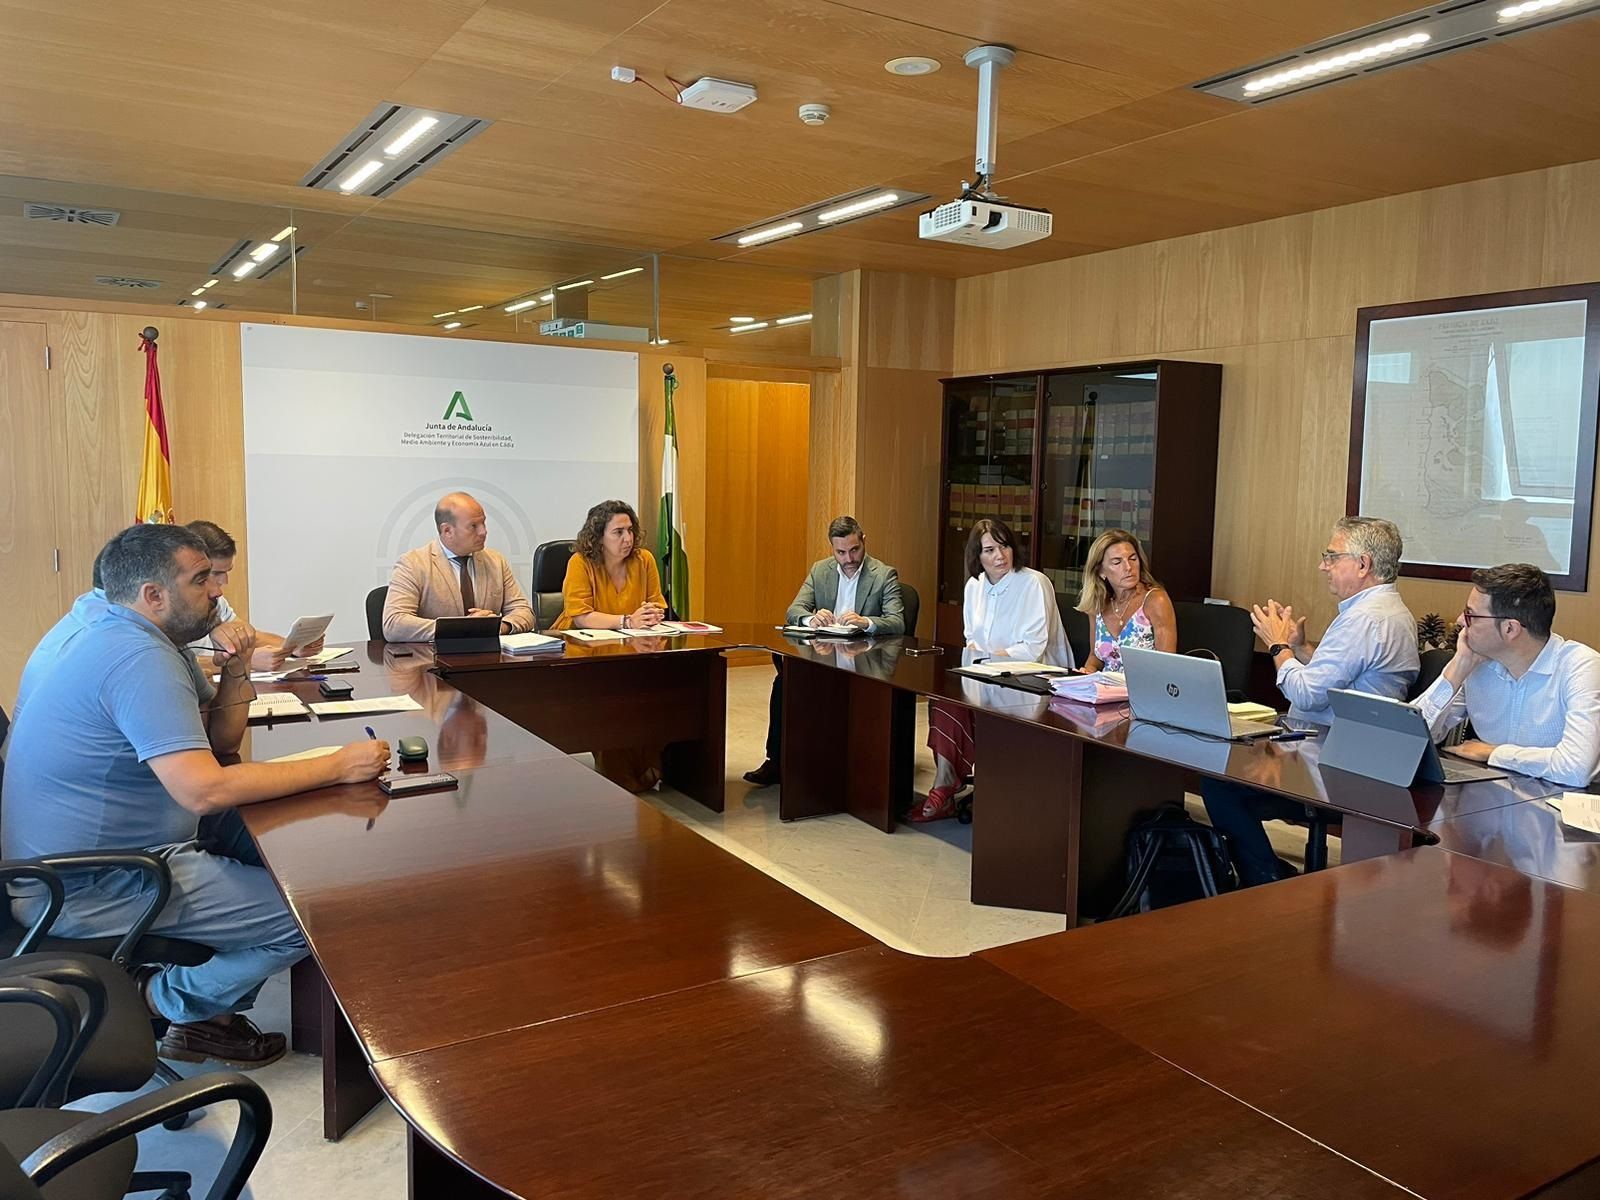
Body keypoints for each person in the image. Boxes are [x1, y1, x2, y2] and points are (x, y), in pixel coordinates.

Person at [2, 525, 391, 1066]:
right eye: (202, 578)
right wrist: (337, 764)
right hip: (94, 884)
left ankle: (208, 1013)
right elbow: (204, 790)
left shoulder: (135, 632)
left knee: (280, 856)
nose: (217, 591)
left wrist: (234, 668)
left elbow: (220, 740)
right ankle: (166, 1003)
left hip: (101, 862)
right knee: (318, 910)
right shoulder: (135, 656)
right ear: (153, 595)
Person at [1203, 516, 1419, 886]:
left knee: (1219, 782)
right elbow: (1339, 677)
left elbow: (1305, 692)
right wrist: (1301, 648)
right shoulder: (1384, 611)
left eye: (1332, 556)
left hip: (1336, 764)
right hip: (1339, 749)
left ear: (1363, 564)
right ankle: (1267, 873)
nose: (1324, 566)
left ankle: (1266, 878)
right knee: (1233, 765)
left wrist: (1277, 646)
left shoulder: (1365, 620)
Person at [916, 517, 1073, 822]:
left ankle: (993, 787)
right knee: (946, 699)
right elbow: (971, 638)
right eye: (989, 550)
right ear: (977, 555)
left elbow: (1032, 649)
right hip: (989, 675)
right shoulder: (975, 586)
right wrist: (981, 664)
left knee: (974, 700)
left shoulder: (1034, 583)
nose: (999, 556)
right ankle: (946, 783)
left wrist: (986, 661)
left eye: (1004, 546)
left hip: (1035, 680)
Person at [743, 516, 905, 788]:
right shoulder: (821, 571)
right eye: (840, 552)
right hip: (824, 658)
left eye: (854, 549)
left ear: (863, 540)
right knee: (785, 683)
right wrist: (811, 618)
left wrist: (867, 622)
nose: (849, 558)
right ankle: (777, 762)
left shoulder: (883, 574)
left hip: (865, 664)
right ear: (832, 548)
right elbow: (794, 611)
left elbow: (897, 621)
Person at [1415, 563, 1600, 787]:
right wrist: (1457, 667)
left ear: (1510, 629)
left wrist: (1495, 753)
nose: (1461, 622)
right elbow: (1412, 739)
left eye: (1471, 615)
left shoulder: (1580, 668)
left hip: (1557, 811)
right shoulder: (1477, 663)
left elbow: (1575, 769)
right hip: (1490, 801)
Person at [554, 500, 668, 789]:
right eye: (618, 532)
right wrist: (628, 621)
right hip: (583, 651)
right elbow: (580, 617)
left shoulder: (645, 560)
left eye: (630, 530)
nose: (627, 539)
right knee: (611, 695)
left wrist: (653, 614)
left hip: (633, 649)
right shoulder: (580, 562)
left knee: (662, 691)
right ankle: (620, 776)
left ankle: (653, 765)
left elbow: (657, 604)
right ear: (598, 536)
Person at [382, 491, 535, 641]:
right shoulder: (413, 564)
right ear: (447, 530)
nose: (483, 532)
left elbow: (523, 611)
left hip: (489, 659)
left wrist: (500, 626)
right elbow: (394, 624)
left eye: (483, 522)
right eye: (473, 526)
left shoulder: (496, 561)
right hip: (433, 661)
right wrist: (461, 628)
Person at [185, 519, 323, 671]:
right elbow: (174, 665)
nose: (224, 582)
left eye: (227, 572)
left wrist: (292, 648)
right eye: (217, 573)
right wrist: (246, 662)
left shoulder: (216, 599)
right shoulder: (173, 610)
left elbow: (248, 635)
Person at [1075, 528, 1177, 673]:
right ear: (1101, 571)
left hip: (1142, 690)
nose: (1128, 567)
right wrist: (1087, 671)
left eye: (1133, 559)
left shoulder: (1155, 600)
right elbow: (1095, 657)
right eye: (1117, 562)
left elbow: (1168, 665)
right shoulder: (1098, 605)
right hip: (1105, 690)